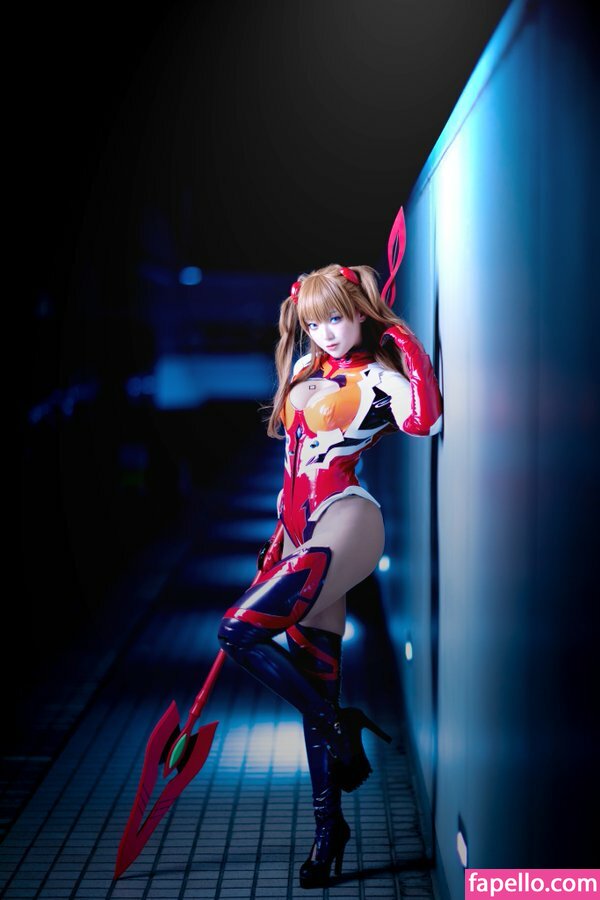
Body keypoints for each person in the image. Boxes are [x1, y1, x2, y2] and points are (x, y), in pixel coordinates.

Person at [218, 262, 442, 888]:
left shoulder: (380, 378)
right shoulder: (302, 370)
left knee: (236, 631)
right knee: (316, 686)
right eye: (314, 323)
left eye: (336, 319)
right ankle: (328, 830)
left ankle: (339, 726)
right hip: (296, 530)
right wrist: (276, 536)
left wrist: (405, 342)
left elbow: (426, 422)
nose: (325, 333)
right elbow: (289, 469)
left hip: (346, 518)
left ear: (361, 314)